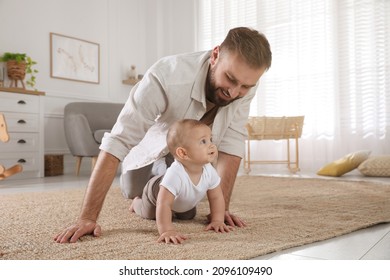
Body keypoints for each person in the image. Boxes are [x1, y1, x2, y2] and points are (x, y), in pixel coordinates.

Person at [54, 26, 272, 243]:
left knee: (187, 209)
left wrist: (221, 210)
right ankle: (141, 194)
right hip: (150, 153)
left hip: (190, 153)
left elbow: (232, 144)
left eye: (245, 86)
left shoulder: (247, 84)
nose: (234, 92)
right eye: (230, 79)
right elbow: (118, 140)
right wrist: (87, 218)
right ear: (215, 55)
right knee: (134, 190)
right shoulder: (167, 75)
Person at [130, 119, 233, 244]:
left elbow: (216, 197)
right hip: (155, 193)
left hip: (182, 200)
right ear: (183, 153)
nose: (211, 145)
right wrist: (166, 230)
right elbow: (164, 204)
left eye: (210, 139)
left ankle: (176, 208)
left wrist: (217, 220)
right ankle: (136, 203)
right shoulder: (175, 175)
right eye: (203, 141)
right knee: (150, 214)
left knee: (188, 216)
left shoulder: (209, 170)